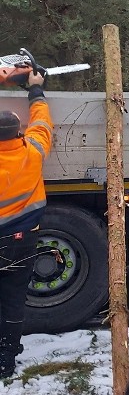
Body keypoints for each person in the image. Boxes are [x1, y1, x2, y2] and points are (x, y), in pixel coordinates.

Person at [0, 70, 52, 378]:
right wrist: (35, 90)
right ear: (18, 133)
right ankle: (6, 358)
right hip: (21, 240)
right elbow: (42, 123)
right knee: (13, 299)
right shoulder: (33, 150)